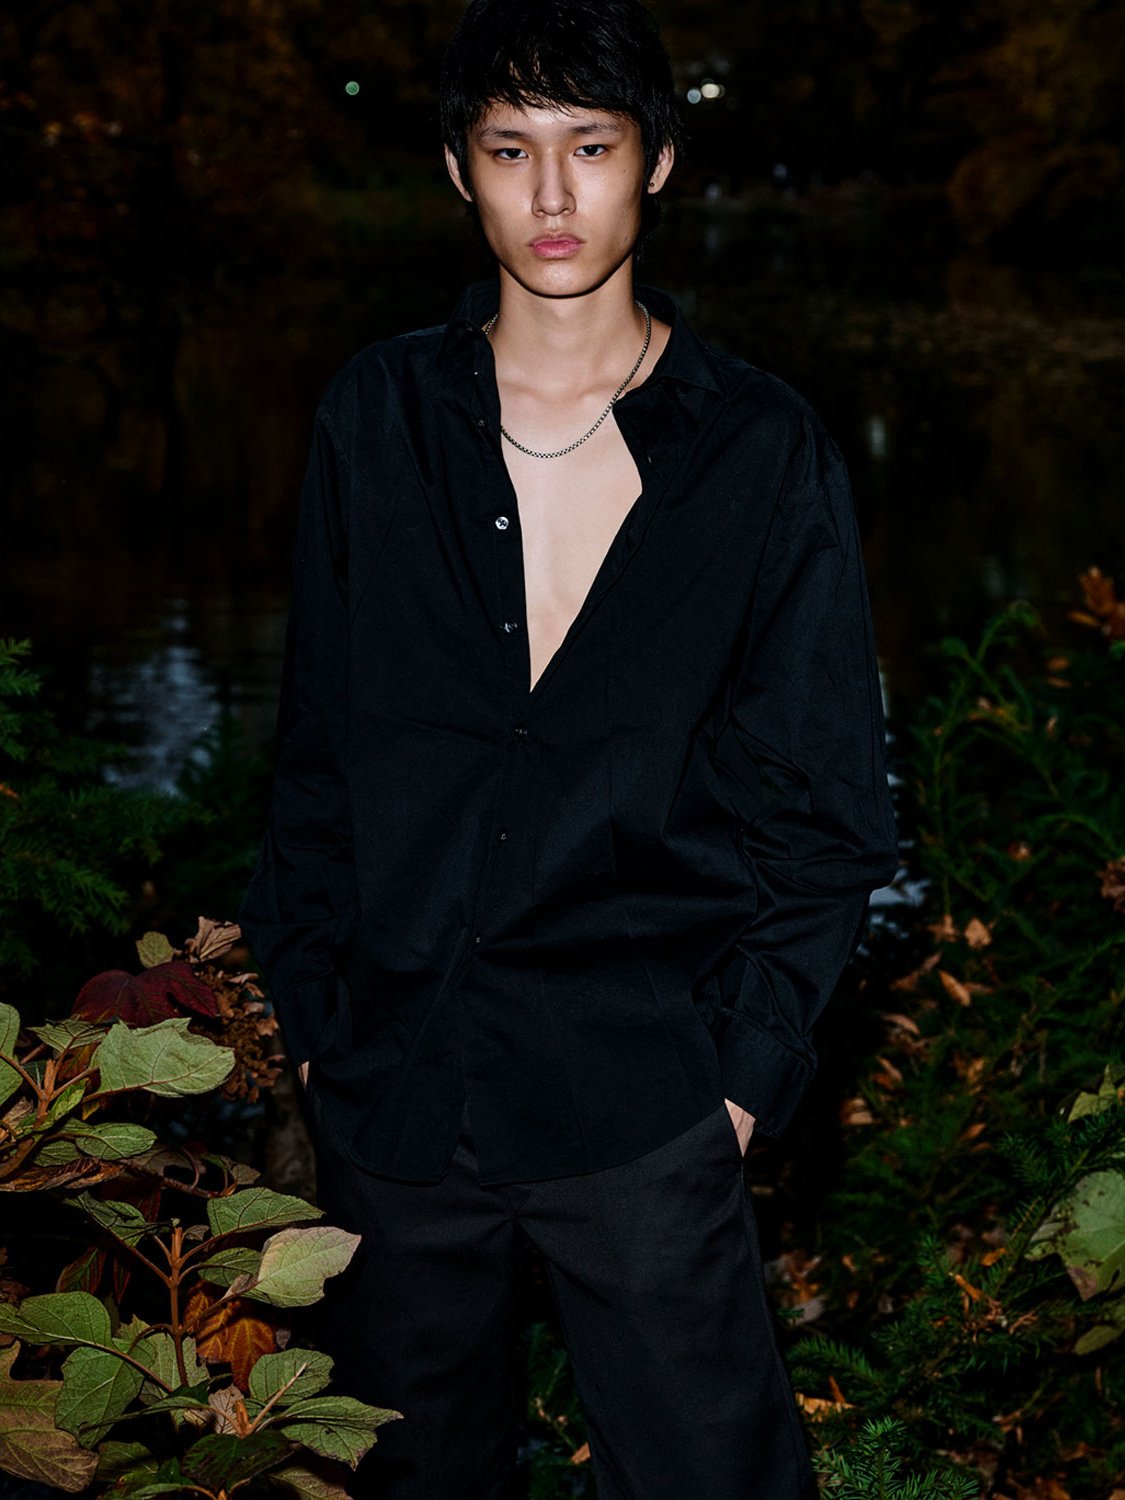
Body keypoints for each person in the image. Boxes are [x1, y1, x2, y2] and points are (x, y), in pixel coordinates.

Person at [239, 0, 899, 1495]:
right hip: (398, 1095)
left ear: (655, 161)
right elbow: (318, 761)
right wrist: (320, 1023)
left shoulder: (760, 449)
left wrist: (741, 1081)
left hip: (646, 1098)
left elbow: (828, 814)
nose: (550, 195)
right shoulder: (376, 419)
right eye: (509, 150)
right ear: (456, 170)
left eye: (588, 148)